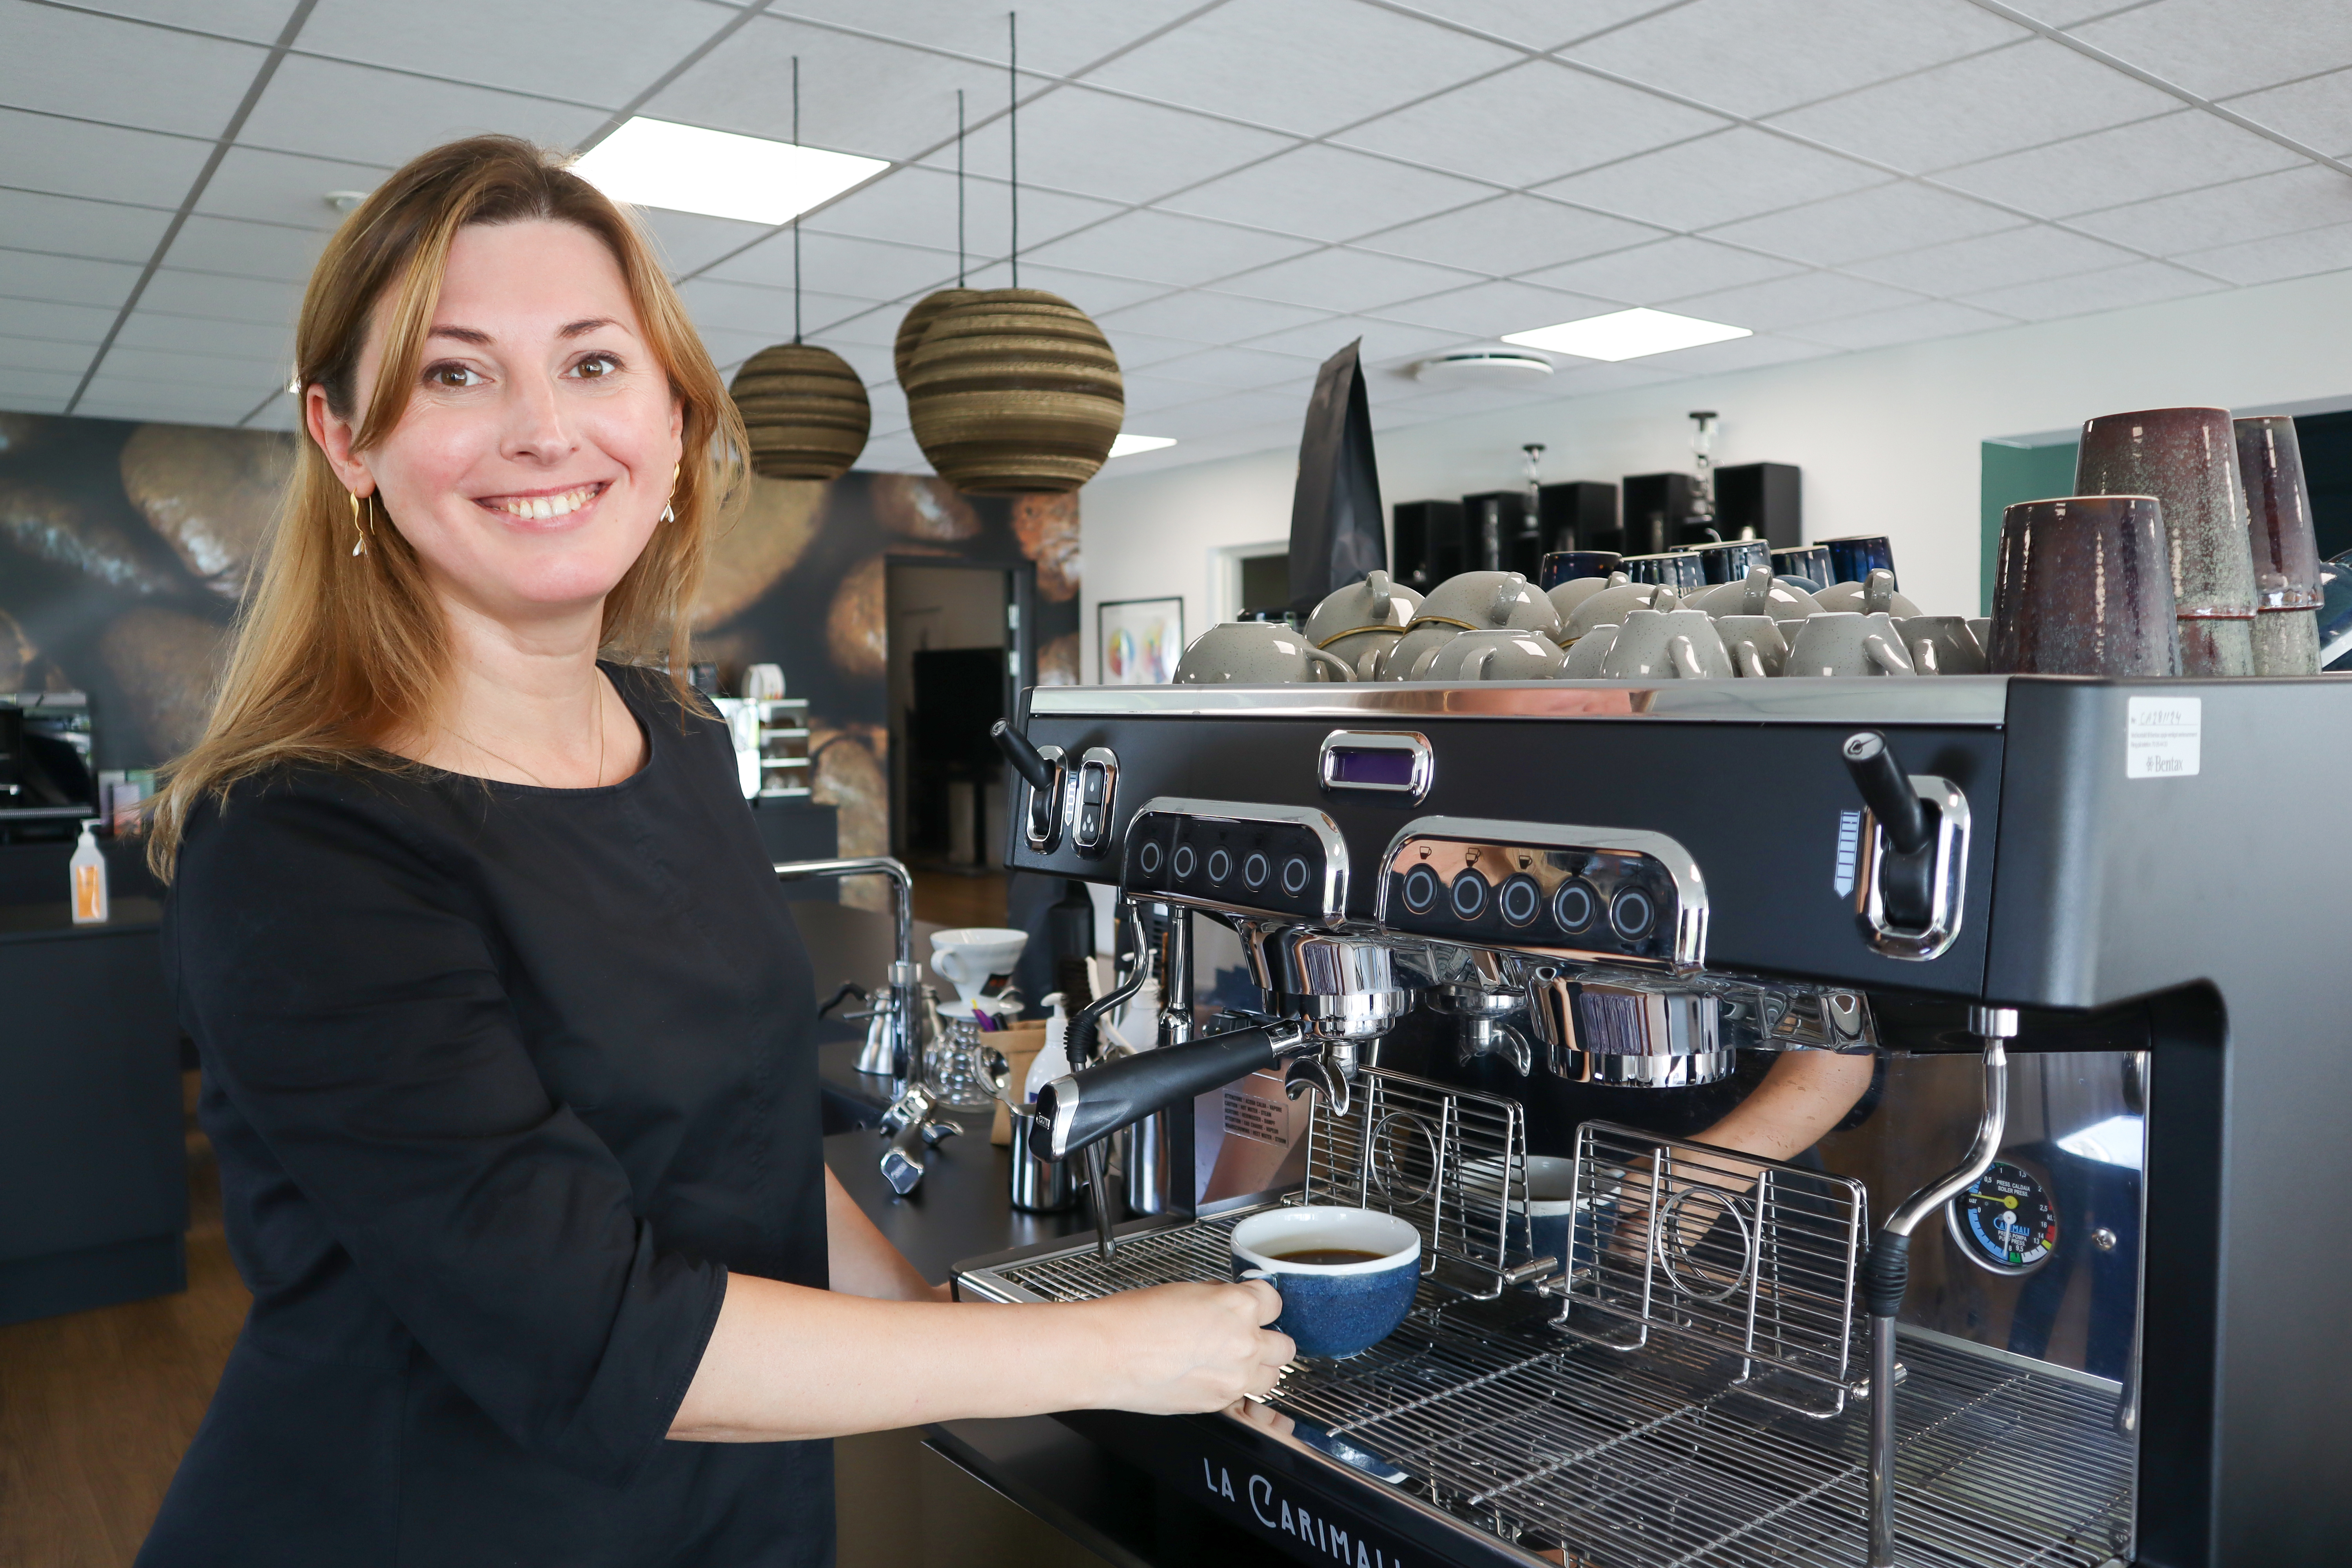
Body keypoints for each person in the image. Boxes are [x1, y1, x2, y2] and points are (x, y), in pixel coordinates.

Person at [136, 136, 1288, 1568]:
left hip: (725, 1517)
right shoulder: (304, 846)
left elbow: (748, 1146)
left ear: (676, 421)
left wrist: (933, 1342)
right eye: (454, 371)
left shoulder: (669, 735)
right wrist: (1096, 1355)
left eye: (594, 363)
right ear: (344, 438)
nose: (542, 429)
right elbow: (612, 1334)